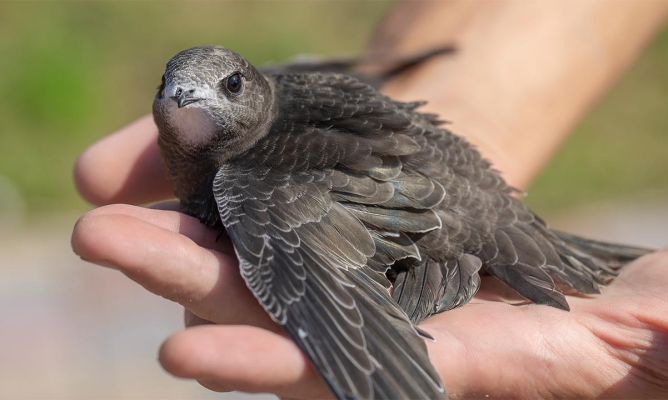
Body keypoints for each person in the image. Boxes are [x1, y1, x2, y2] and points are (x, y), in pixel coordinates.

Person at [71, 1, 668, 398]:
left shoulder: (255, 177)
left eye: (226, 88)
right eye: (173, 93)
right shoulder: (264, 109)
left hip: (453, 213)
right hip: (425, 181)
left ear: (252, 87)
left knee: (257, 215)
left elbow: (318, 270)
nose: (186, 99)